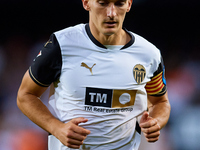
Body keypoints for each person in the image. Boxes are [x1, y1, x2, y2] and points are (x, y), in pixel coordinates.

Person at [17, 0, 171, 150]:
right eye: (102, 3)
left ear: (129, 4)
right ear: (86, 3)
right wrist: (56, 128)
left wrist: (156, 122)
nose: (111, 13)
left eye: (119, 3)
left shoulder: (149, 54)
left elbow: (160, 102)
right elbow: (25, 95)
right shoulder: (62, 44)